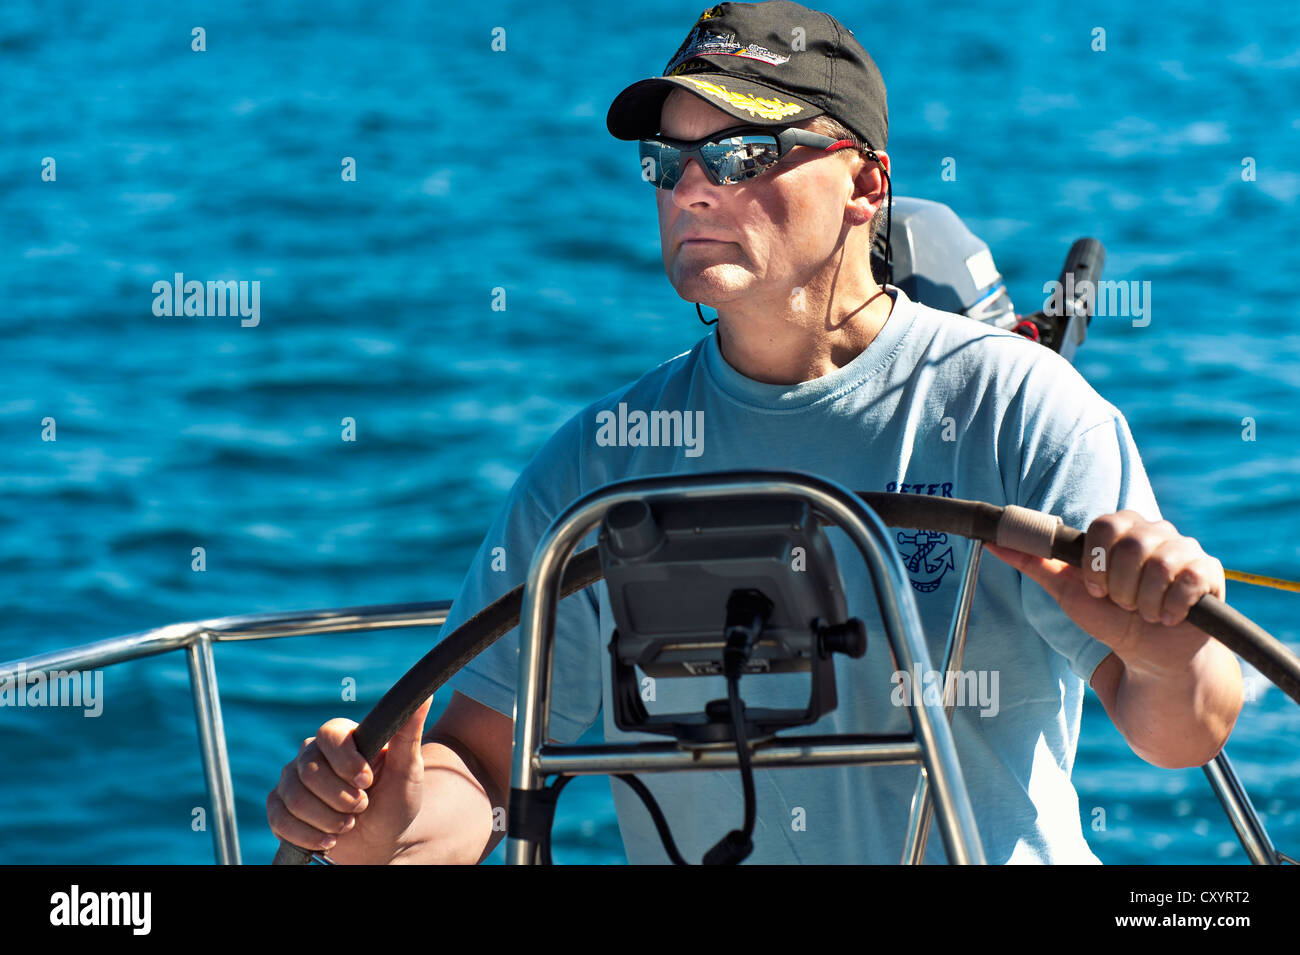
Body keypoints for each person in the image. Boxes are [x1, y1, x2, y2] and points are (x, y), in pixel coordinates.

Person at [266, 0, 1243, 864]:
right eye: (670, 161)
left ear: (866, 186)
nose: (693, 187)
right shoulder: (598, 463)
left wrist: (1161, 652)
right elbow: (476, 773)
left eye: (746, 152)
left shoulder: (1018, 409)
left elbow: (1185, 728)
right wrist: (383, 831)